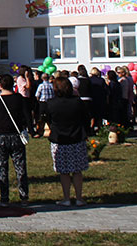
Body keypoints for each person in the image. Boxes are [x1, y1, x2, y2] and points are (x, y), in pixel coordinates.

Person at [42, 76, 89, 207]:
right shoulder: (78, 102)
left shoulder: (51, 103)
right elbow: (85, 118)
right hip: (77, 138)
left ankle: (66, 198)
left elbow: (49, 120)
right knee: (77, 170)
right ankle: (79, 198)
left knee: (64, 171)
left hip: (59, 139)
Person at [0, 74, 30, 206]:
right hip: (16, 135)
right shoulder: (19, 99)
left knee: (2, 167)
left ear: (0, 85)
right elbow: (26, 115)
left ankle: (4, 197)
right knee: (20, 166)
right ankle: (24, 196)